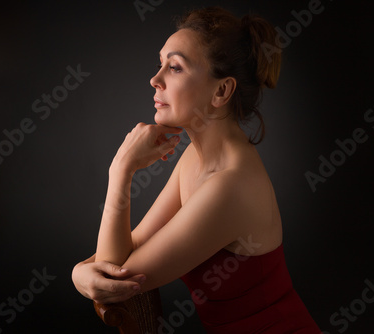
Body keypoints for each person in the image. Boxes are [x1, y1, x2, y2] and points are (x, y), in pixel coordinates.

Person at [72, 6, 321, 333]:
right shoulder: (195, 160)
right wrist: (79, 272)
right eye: (159, 63)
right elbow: (117, 261)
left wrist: (121, 169)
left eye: (174, 67)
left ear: (221, 91)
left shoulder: (231, 187)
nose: (155, 79)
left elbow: (119, 279)